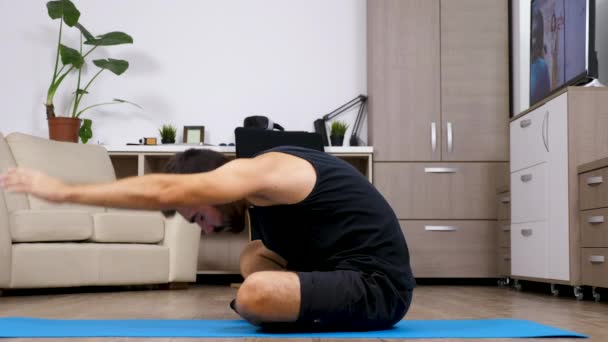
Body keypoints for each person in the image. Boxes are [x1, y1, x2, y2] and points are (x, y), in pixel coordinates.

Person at [0, 145, 415, 331]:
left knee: (254, 294)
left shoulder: (261, 172)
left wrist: (63, 191)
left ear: (210, 186)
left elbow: (161, 191)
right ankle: (286, 306)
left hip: (379, 288)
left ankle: (272, 308)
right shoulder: (258, 196)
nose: (205, 227)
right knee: (254, 255)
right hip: (338, 270)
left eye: (199, 214)